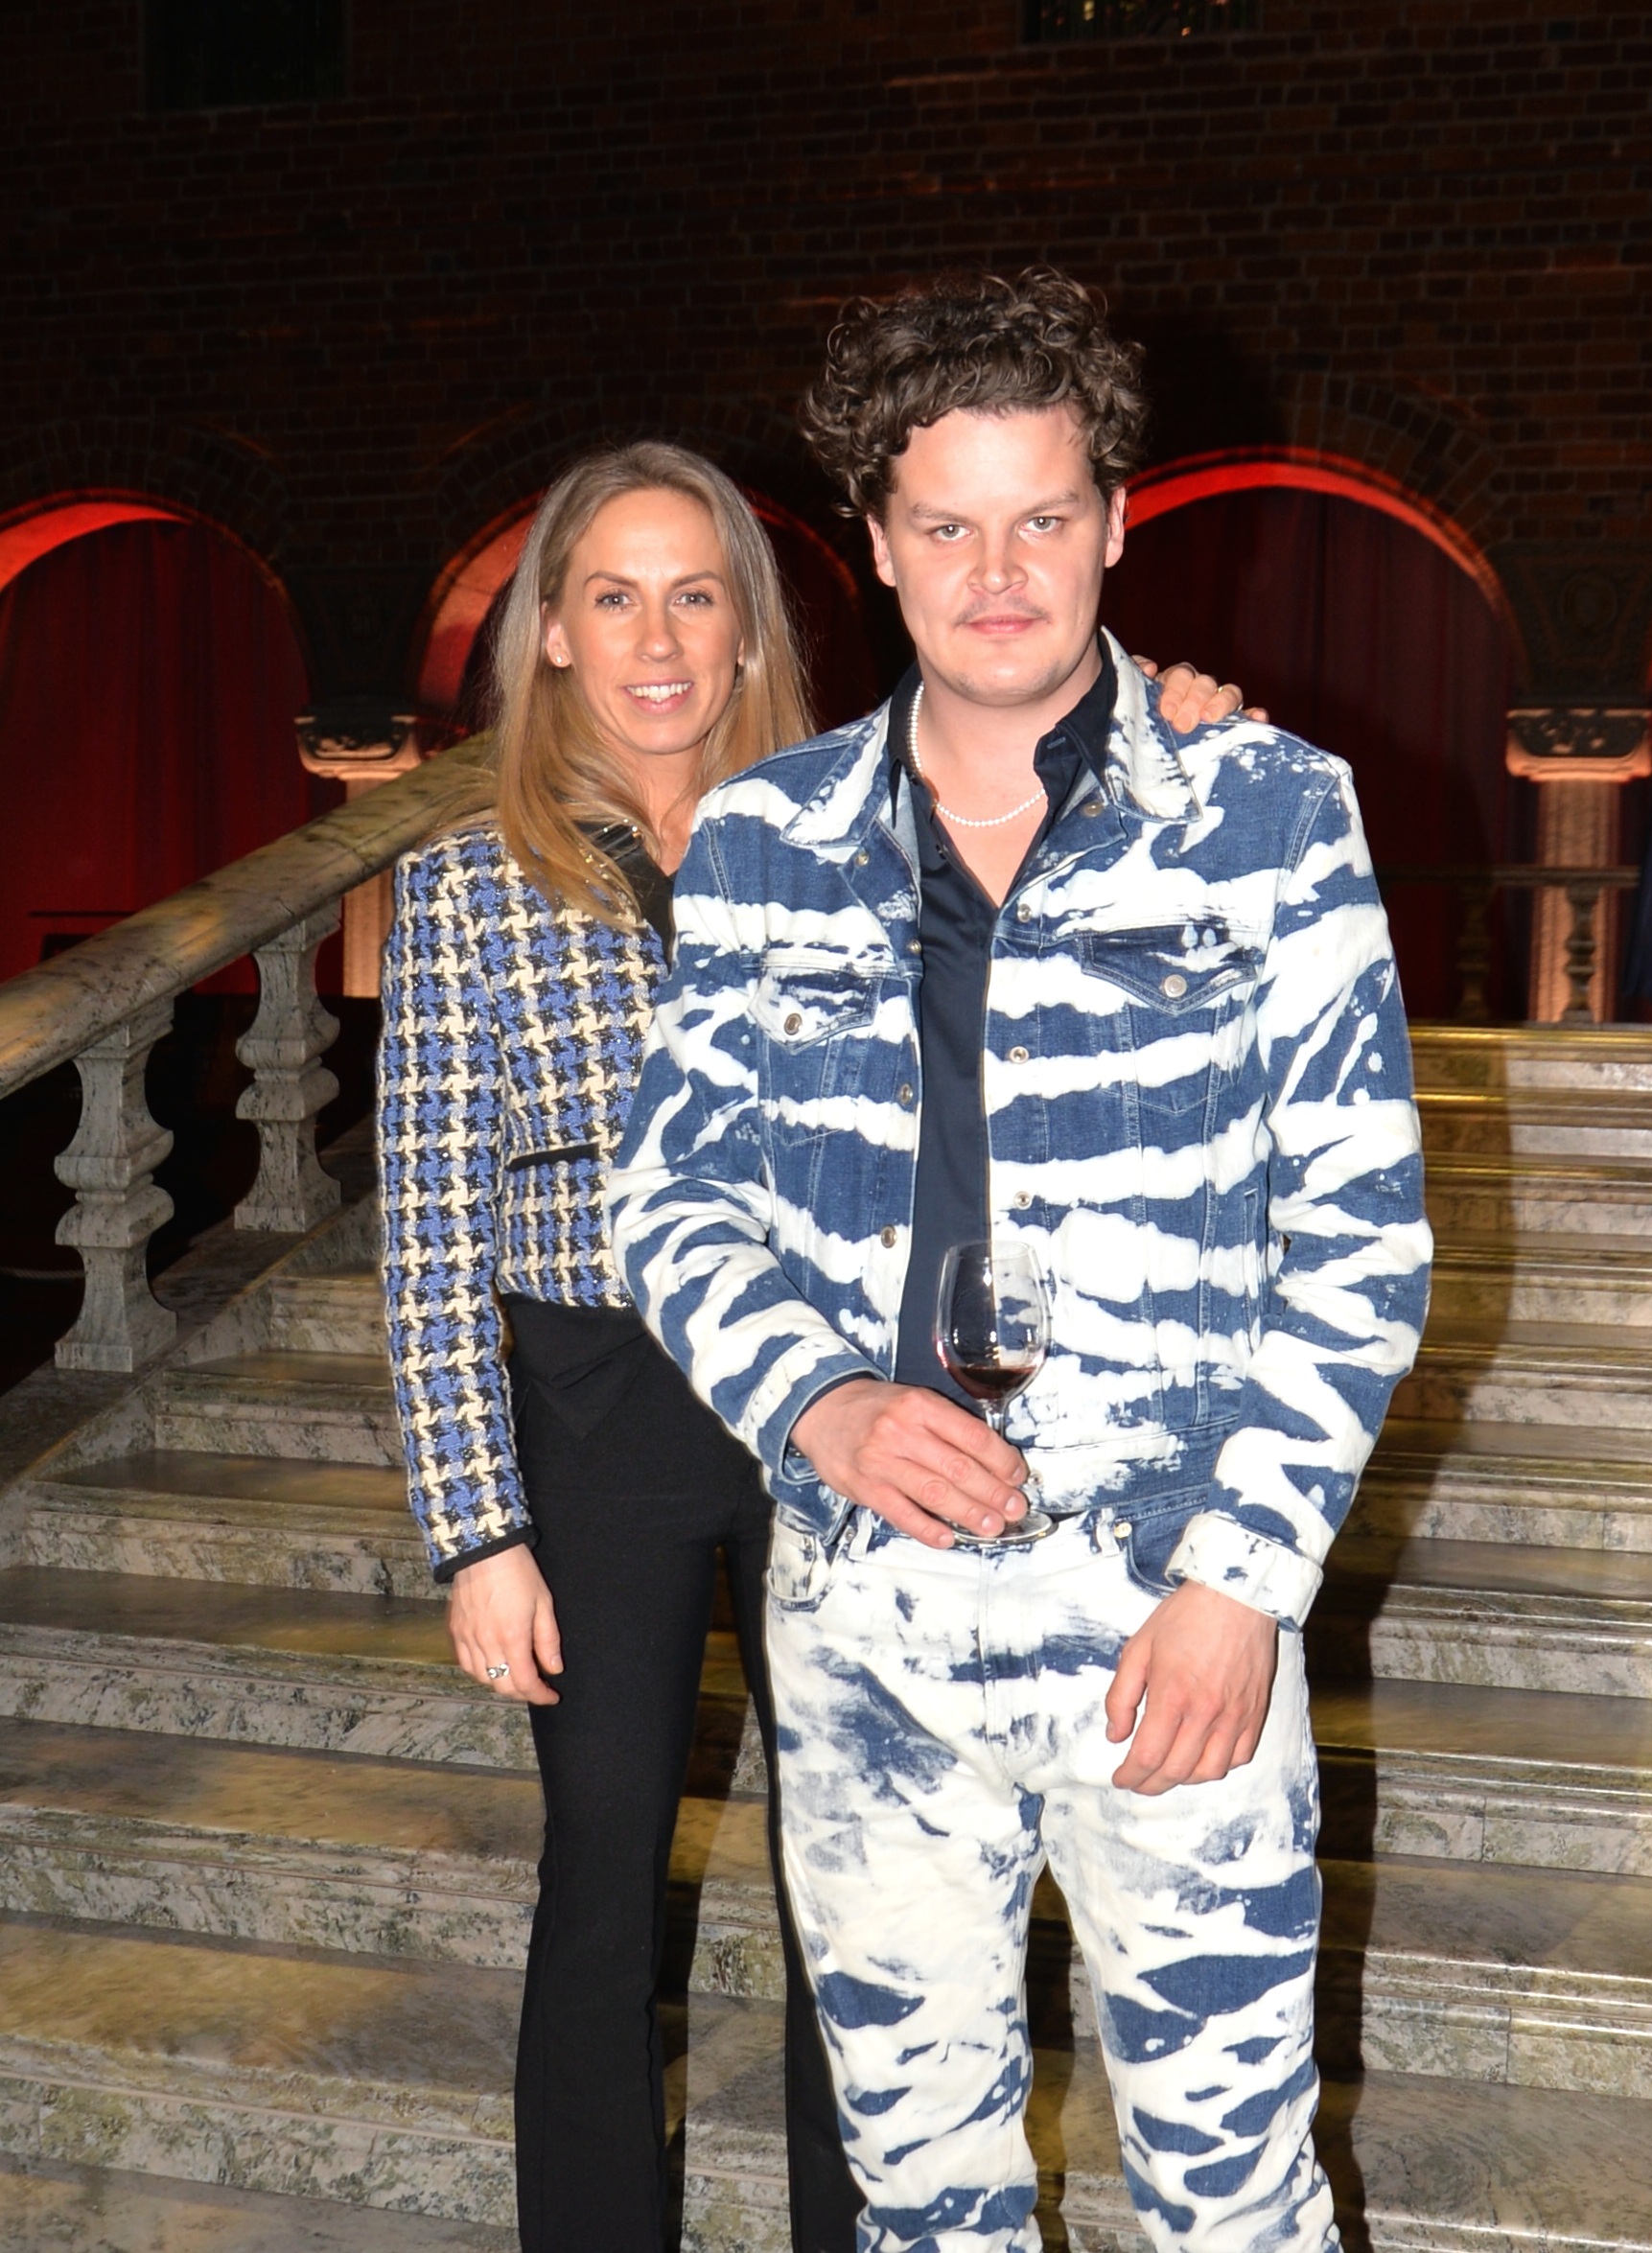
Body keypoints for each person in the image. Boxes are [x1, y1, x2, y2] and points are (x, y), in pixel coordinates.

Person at [609, 274, 1432, 2253]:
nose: (999, 574)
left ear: (1115, 522)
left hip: (1170, 1615)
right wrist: (817, 1400)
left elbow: (1364, 1231)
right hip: (866, 1622)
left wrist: (1245, 1580)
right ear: (880, 544)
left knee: (1235, 2201)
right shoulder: (763, 839)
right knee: (920, 2205)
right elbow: (670, 1197)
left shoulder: (1268, 814)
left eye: (1042, 516)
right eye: (950, 525)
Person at [377, 436, 1249, 2253]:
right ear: (553, 631)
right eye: (613, 597)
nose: (657, 639)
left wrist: (1167, 714)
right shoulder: (465, 885)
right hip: (595, 1410)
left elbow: (1028, 781)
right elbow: (428, 1233)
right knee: (601, 1870)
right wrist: (476, 1530)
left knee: (860, 1882)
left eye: (695, 594)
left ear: (749, 624)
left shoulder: (845, 832)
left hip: (834, 1396)